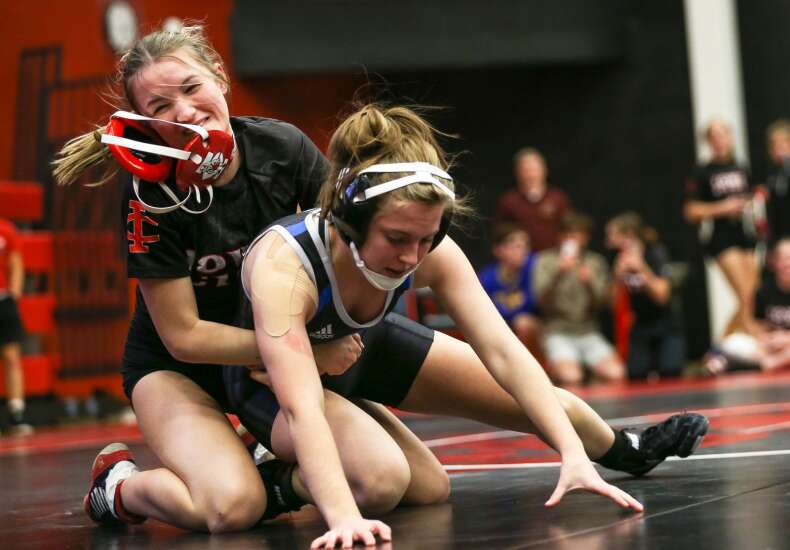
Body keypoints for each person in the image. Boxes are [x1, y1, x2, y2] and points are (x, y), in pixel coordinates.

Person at [224, 104, 709, 548]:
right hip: (276, 384)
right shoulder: (287, 267)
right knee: (379, 481)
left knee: (449, 476)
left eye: (426, 239)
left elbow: (503, 351)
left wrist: (571, 454)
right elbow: (301, 405)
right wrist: (344, 517)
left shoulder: (426, 248)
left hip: (358, 351)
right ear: (352, 217)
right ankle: (272, 480)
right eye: (396, 238)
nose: (412, 257)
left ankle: (625, 449)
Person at [51, 24, 370, 533]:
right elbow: (183, 337)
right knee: (228, 508)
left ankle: (262, 469)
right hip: (177, 368)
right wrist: (300, 351)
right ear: (143, 123)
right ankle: (119, 485)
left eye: (191, 87)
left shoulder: (282, 148)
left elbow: (347, 252)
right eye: (160, 108)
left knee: (388, 483)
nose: (183, 112)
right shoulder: (148, 195)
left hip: (263, 356)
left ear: (220, 76)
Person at [684, 119, 760, 336]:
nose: (720, 140)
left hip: (745, 234)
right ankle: (752, 346)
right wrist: (723, 207)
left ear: (730, 136)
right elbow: (691, 211)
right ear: (708, 141)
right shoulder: (702, 172)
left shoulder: (740, 167)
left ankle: (720, 350)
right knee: (748, 299)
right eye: (714, 136)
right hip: (721, 237)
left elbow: (751, 196)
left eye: (723, 133)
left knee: (754, 299)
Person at [532, 212, 625, 386]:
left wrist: (590, 283)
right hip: (558, 331)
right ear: (560, 236)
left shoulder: (595, 262)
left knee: (616, 373)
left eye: (576, 235)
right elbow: (539, 300)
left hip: (588, 332)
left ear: (585, 238)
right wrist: (558, 274)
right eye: (567, 234)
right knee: (571, 378)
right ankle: (568, 369)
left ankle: (593, 382)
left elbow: (604, 304)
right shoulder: (545, 260)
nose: (571, 239)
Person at [606, 212, 685, 380]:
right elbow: (611, 304)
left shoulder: (655, 253)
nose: (608, 240)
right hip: (640, 325)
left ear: (629, 235)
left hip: (666, 324)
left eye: (613, 234)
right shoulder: (617, 258)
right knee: (635, 374)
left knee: (671, 370)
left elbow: (662, 296)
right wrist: (617, 277)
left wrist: (642, 268)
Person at [705, 238, 790, 374]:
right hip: (771, 346)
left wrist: (786, 339)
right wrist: (766, 340)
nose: (787, 264)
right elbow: (758, 324)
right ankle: (733, 359)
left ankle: (766, 365)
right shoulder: (764, 290)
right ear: (775, 262)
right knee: (733, 342)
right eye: (783, 259)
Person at [478, 223, 542, 358]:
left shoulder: (535, 266)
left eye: (525, 246)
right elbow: (486, 312)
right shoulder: (487, 277)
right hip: (502, 326)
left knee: (523, 322)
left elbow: (535, 302)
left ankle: (530, 364)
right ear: (498, 250)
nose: (523, 251)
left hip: (540, 324)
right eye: (516, 246)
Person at [494, 148, 571, 252]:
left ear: (544, 170)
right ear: (518, 173)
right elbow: (500, 234)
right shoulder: (509, 201)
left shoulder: (558, 198)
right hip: (521, 260)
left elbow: (569, 230)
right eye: (526, 170)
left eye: (534, 169)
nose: (531, 174)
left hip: (552, 259)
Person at [0, 217, 32, 435]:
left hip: (3, 301)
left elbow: (15, 262)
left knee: (11, 355)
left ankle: (16, 413)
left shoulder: (5, 229)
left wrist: (14, 294)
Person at [764, 119, 790, 249]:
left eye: (783, 145)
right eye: (774, 146)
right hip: (780, 237)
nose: (779, 150)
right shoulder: (773, 174)